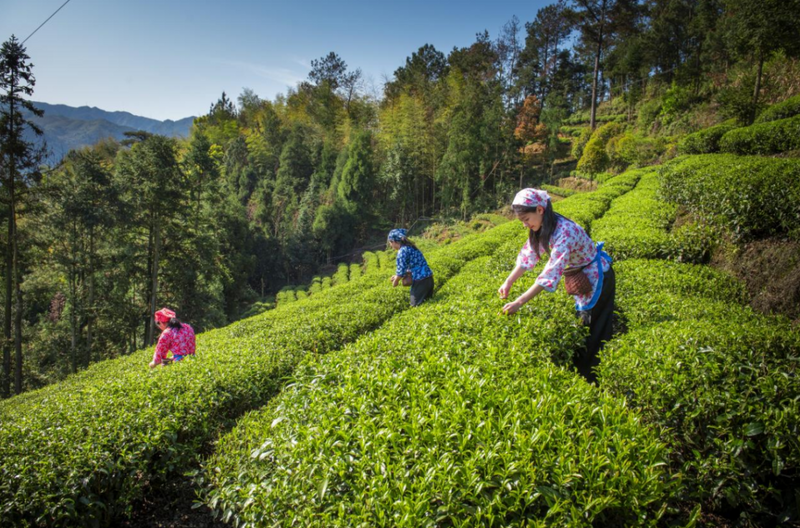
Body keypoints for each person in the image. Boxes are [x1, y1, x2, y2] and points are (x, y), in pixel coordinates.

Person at [498, 189, 614, 384]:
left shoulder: (564, 231)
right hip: (582, 275)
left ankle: (592, 380)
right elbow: (529, 255)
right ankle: (584, 374)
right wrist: (509, 281)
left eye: (527, 219)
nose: (526, 224)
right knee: (585, 325)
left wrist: (519, 302)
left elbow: (550, 273)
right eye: (522, 222)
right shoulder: (544, 226)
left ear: (540, 209)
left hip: (597, 277)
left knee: (594, 330)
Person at [388, 228, 434, 307]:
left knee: (415, 306)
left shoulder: (402, 251)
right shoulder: (411, 247)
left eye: (390, 243)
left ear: (394, 241)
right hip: (429, 278)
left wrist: (395, 282)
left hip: (420, 281)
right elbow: (413, 265)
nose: (390, 245)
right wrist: (396, 276)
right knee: (428, 304)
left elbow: (401, 271)